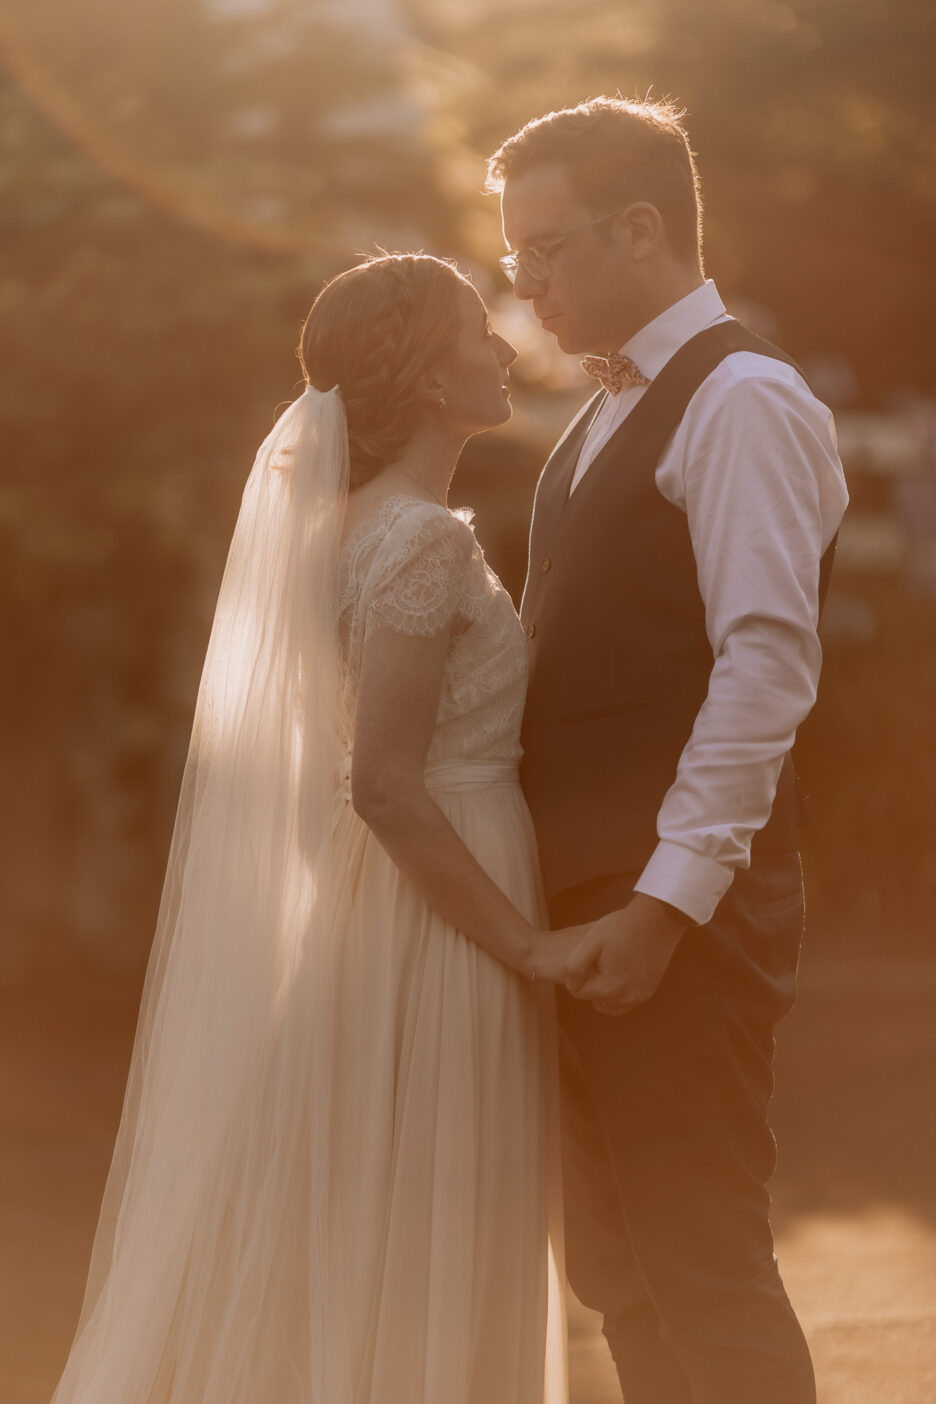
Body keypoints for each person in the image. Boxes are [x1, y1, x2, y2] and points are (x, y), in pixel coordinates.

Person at [50, 253, 586, 1404]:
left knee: (385, 1239)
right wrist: (527, 944)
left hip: (380, 900)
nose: (502, 348)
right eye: (476, 332)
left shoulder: (343, 530)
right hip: (447, 905)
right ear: (427, 375)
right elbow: (386, 783)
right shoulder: (420, 541)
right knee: (444, 1233)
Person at [487, 97, 849, 1404]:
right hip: (578, 906)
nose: (523, 283)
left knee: (700, 1265)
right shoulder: (590, 424)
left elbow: (765, 669)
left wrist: (662, 902)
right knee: (622, 1277)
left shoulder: (743, 400)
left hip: (672, 914)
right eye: (512, 255)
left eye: (548, 247)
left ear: (643, 227)